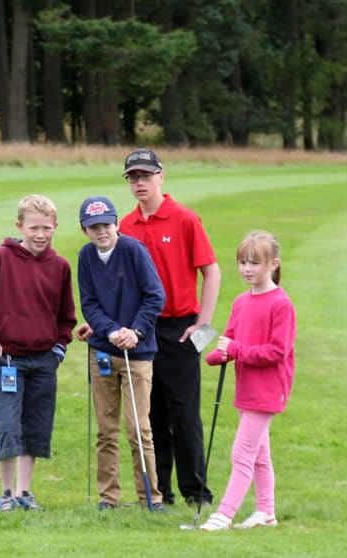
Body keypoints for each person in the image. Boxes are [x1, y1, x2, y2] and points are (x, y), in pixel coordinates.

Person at [117, 148, 221, 507]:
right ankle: (160, 493)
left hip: (179, 328)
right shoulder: (125, 226)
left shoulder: (184, 218)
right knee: (151, 414)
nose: (140, 182)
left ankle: (197, 492)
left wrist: (202, 323)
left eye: (145, 175)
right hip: (142, 328)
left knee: (185, 413)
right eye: (133, 177)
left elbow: (211, 271)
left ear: (161, 175)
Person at [0, 194, 76, 512]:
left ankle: (23, 492)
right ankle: (5, 493)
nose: (40, 234)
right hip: (5, 360)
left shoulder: (59, 266)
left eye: (47, 227)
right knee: (8, 425)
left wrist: (58, 348)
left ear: (56, 227)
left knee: (35, 426)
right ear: (20, 226)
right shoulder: (1, 258)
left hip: (44, 360)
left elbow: (66, 315)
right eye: (33, 228)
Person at [198, 231, 296, 531]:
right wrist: (218, 355)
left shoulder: (281, 304)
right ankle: (266, 511)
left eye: (255, 262)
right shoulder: (241, 301)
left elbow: (277, 352)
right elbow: (231, 340)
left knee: (242, 453)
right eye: (242, 262)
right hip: (246, 387)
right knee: (259, 455)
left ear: (274, 264)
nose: (247, 269)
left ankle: (224, 514)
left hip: (268, 390)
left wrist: (235, 350)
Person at [74, 196, 166, 512]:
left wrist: (135, 331)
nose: (102, 232)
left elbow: (155, 297)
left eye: (106, 225)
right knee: (106, 430)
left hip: (137, 353)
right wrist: (111, 330)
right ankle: (108, 498)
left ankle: (150, 498)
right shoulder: (86, 256)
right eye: (94, 227)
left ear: (116, 224)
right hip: (102, 349)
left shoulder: (133, 250)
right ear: (84, 229)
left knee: (139, 429)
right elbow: (89, 303)